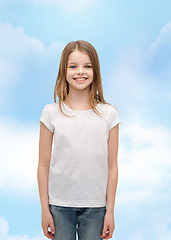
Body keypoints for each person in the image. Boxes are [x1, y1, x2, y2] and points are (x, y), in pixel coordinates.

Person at [37, 40, 121, 240]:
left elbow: (112, 166)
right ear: (63, 71)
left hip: (96, 207)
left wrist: (110, 211)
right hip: (59, 205)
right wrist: (45, 210)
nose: (80, 72)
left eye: (87, 66)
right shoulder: (51, 113)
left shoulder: (109, 114)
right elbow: (43, 165)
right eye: (73, 66)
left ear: (95, 71)